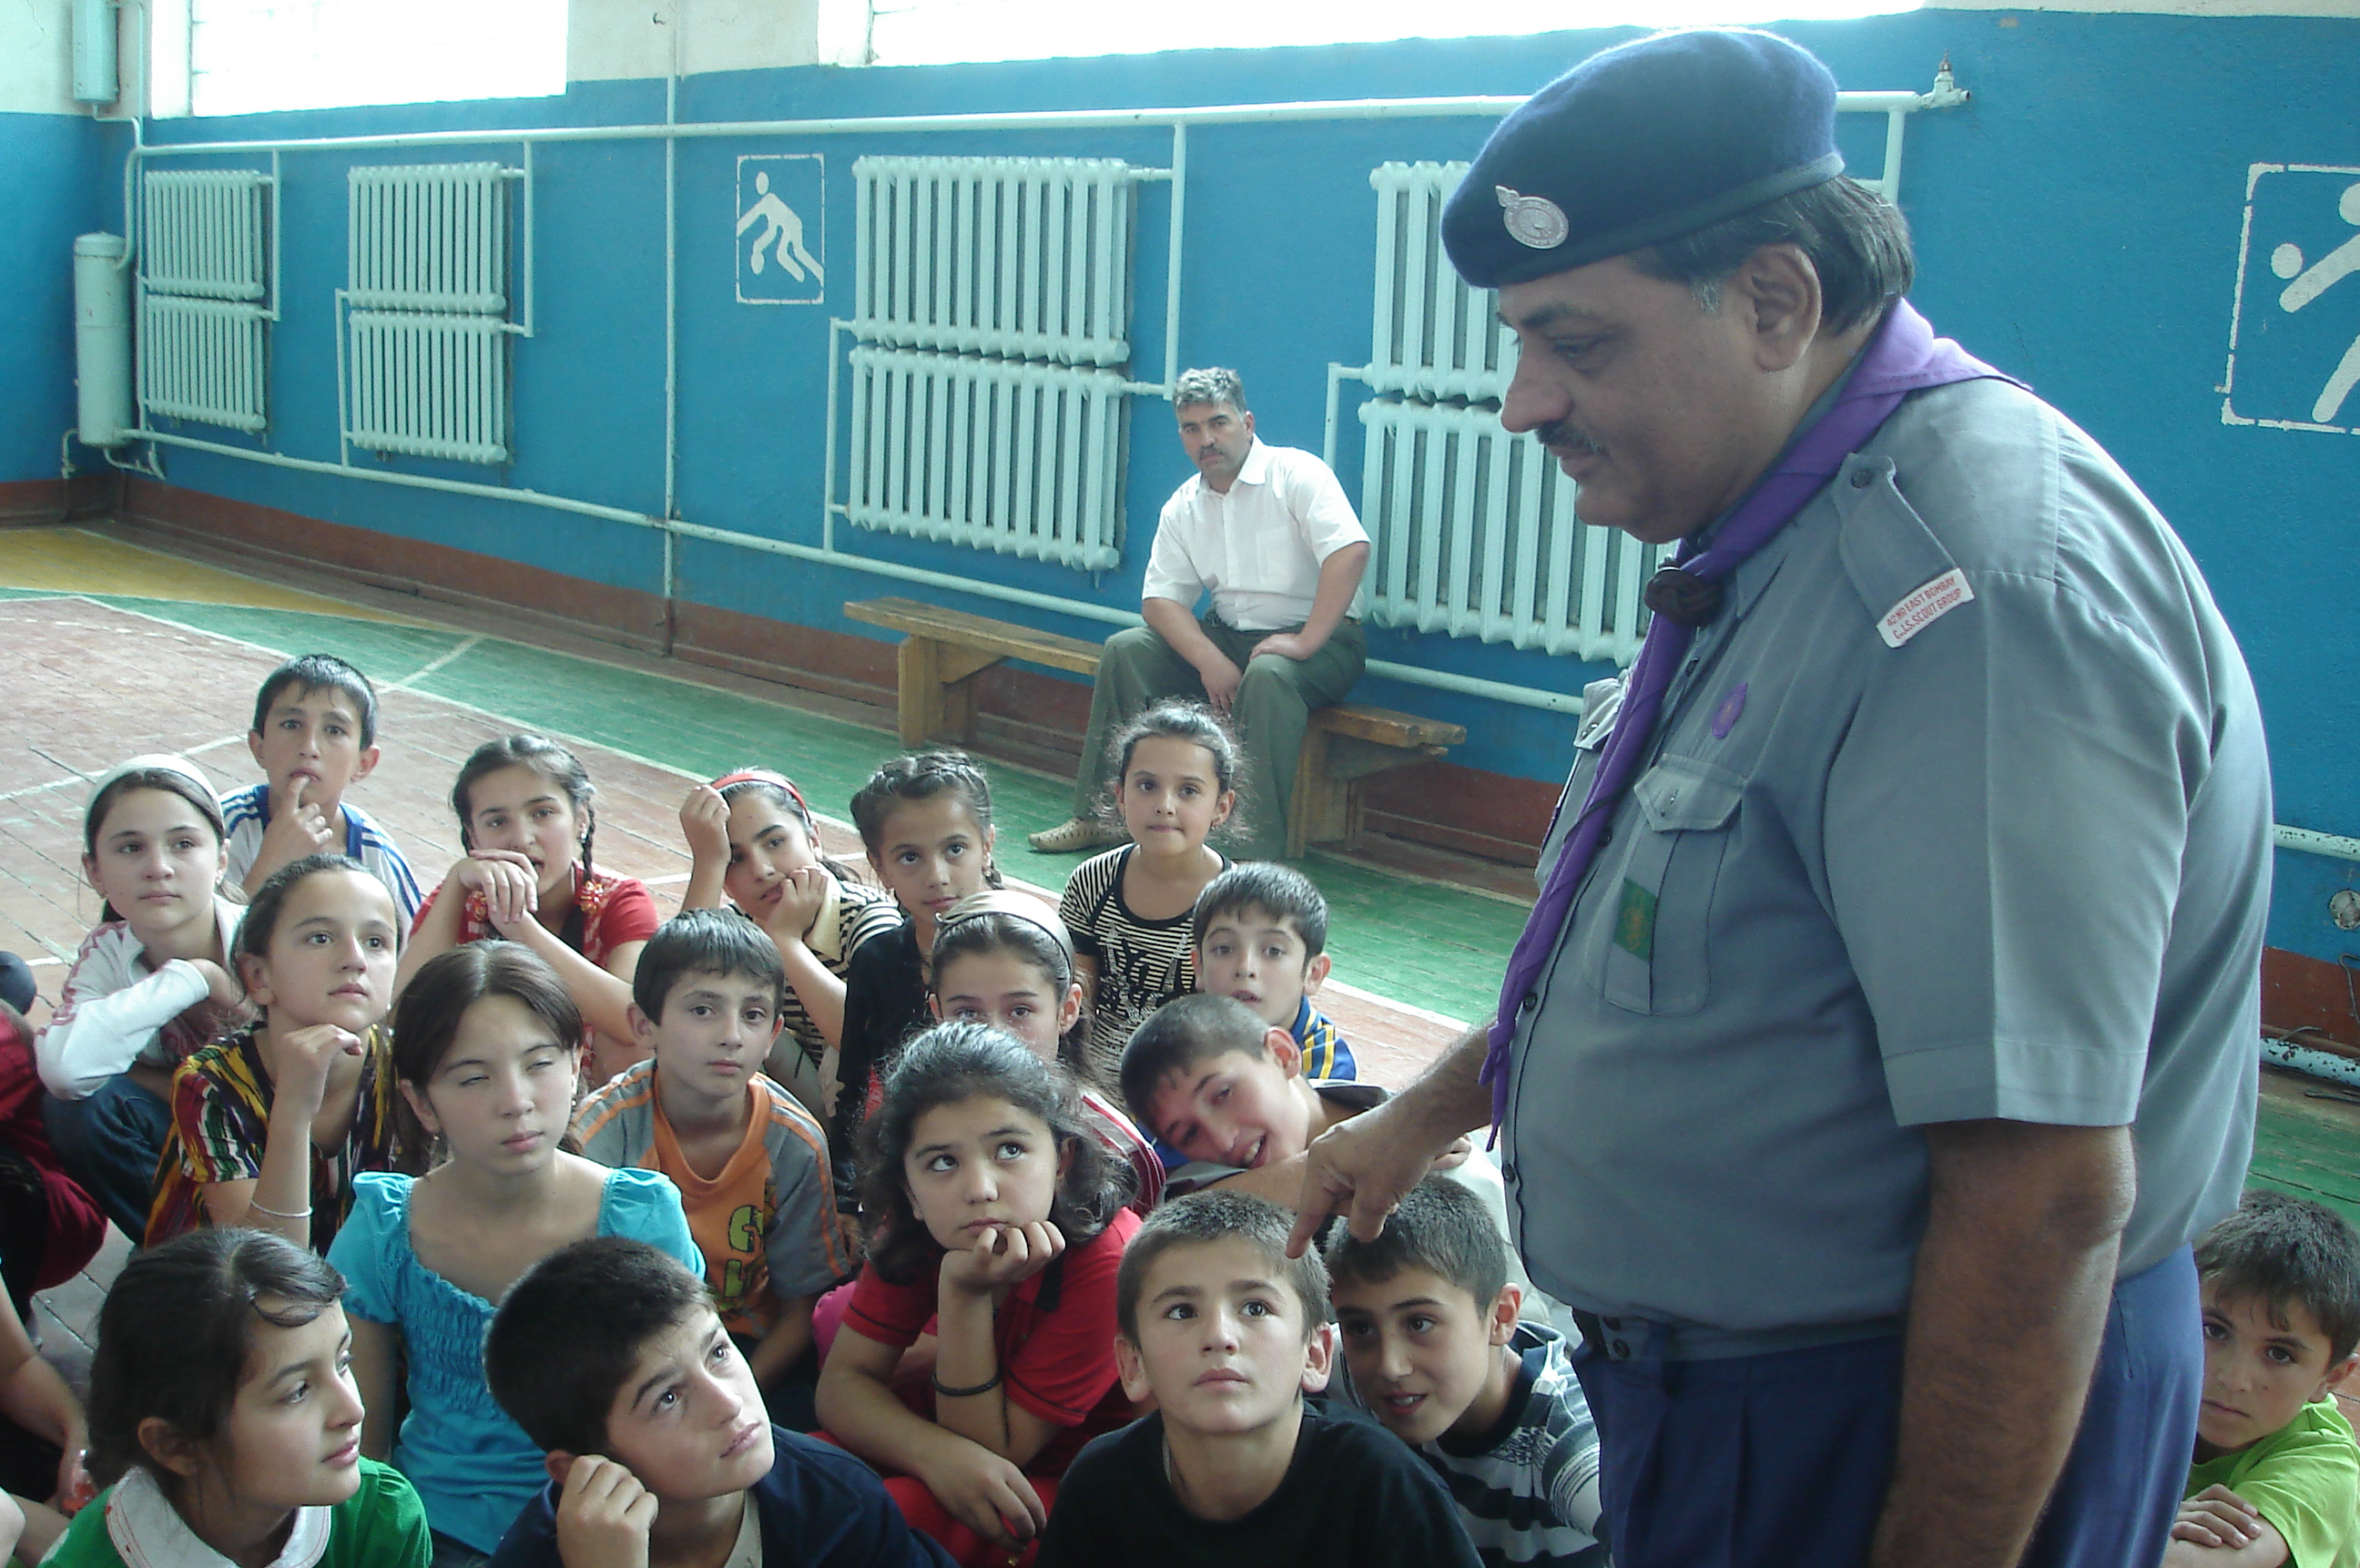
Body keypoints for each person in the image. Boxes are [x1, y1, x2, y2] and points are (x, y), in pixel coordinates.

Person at [1286, 28, 2272, 1568]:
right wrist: (1416, 1118)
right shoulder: (1791, 526)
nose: (1520, 402)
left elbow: (2040, 1197)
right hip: (1757, 1397)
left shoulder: (1969, 599)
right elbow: (1720, 956)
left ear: (1773, 300)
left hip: (1893, 1416)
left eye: (1577, 343)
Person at [331, 943, 701, 1566]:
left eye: (538, 1063)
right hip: (435, 1528)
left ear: (579, 1062)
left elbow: (689, 1398)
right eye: (473, 1077)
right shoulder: (386, 1229)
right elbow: (363, 1450)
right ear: (422, 1103)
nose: (516, 1100)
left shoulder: (640, 1216)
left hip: (618, 1519)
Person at [812, 1023, 1140, 1568]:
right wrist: (932, 1454)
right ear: (911, 1193)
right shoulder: (921, 1231)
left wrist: (962, 1292)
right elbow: (841, 1387)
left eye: (1009, 1149)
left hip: (1076, 1485)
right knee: (802, 1468)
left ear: (1060, 1162)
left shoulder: (1107, 1262)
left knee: (885, 1514)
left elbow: (995, 1459)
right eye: (943, 1162)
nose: (980, 1188)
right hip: (958, 1440)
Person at [1028, 366, 1371, 862]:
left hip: (1323, 642)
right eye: (1191, 428)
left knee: (1271, 675)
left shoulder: (1297, 474)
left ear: (1247, 423)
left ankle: (1248, 851)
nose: (1206, 439)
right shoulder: (1184, 506)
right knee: (1126, 650)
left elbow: (1350, 552)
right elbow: (1160, 601)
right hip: (1231, 637)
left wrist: (1305, 642)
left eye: (1219, 423)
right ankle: (1103, 816)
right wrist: (1210, 659)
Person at [1034, 1188, 1481, 1568]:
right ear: (1134, 1364)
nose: (1219, 1336)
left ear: (1315, 1353)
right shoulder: (1101, 1487)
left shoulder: (1382, 1485)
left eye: (1255, 1308)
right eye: (1182, 1312)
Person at [481, 1237, 954, 1568]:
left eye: (719, 1352)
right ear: (578, 1467)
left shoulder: (837, 1501)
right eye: (667, 1398)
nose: (728, 1403)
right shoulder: (536, 1556)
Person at [1122, 995, 1551, 1319]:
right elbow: (1176, 1218)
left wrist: (1407, 1132)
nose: (1223, 1137)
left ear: (1283, 1054)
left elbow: (1526, 1326)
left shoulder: (1443, 1160)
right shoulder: (1208, 1183)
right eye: (1189, 1133)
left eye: (1223, 1094)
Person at [569, 910, 849, 1408]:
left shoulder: (794, 1143)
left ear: (773, 1035)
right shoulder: (600, 1137)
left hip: (750, 1356)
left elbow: (802, 1308)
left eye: (754, 1014)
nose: (731, 1035)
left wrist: (734, 1396)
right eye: (703, 1010)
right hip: (631, 1352)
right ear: (643, 1024)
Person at [46, 1227, 431, 1568]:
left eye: (343, 1361)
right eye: (297, 1391)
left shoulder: (381, 1517)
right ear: (175, 1444)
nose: (353, 1409)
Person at [1326, 1178, 1604, 1568]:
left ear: (1501, 1317)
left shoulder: (1571, 1445)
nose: (1390, 1366)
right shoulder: (1353, 1366)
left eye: (1420, 1324)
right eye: (1359, 1328)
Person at [148, 854, 414, 1252]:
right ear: (258, 975)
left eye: (376, 942)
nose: (355, 959)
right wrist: (292, 1105)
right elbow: (264, 1270)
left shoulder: (411, 1064)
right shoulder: (212, 1084)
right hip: (224, 1298)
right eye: (320, 938)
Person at [38, 755, 249, 1239]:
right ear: (96, 872)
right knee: (76, 1111)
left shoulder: (267, 936)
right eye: (130, 848)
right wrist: (191, 979)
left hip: (288, 1149)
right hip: (199, 1134)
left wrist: (219, 986)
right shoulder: (107, 953)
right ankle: (182, 1252)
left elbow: (289, 1079)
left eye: (183, 844)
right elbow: (65, 1070)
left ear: (220, 859)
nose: (157, 867)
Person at [400, 735, 659, 1084]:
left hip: (592, 1094)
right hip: (491, 1089)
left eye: (542, 813)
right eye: (496, 822)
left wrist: (520, 927)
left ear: (580, 819)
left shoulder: (619, 899)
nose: (522, 838)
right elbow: (398, 1017)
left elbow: (635, 1021)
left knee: (632, 1048)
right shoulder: (459, 900)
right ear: (473, 838)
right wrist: (454, 882)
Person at [677, 768, 903, 1119]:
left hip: (868, 1115)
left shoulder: (866, 915)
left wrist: (785, 941)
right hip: (797, 1107)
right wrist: (707, 862)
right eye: (735, 858)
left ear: (814, 838)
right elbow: (674, 1006)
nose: (762, 869)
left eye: (774, 842)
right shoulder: (737, 926)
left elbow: (869, 1037)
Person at [833, 753, 1002, 1208]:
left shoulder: (1029, 951)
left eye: (955, 849)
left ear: (987, 845)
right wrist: (849, 1198)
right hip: (915, 1177)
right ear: (879, 866)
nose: (937, 877)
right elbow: (854, 1087)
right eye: (910, 857)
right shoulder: (878, 960)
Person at [931, 892, 1164, 1210]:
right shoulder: (919, 1126)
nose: (996, 1035)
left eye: (1020, 1011)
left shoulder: (1117, 1148)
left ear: (1067, 1009)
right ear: (938, 1014)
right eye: (968, 1014)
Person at [2163, 1193, 2360, 1568]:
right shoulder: (2144, 1393)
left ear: (2330, 1378)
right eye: (2214, 1330)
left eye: (2279, 1354)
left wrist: (2138, 1530)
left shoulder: (2322, 1464)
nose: (2234, 1379)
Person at [1058, 702, 1237, 1090]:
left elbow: (1234, 1026)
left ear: (1221, 807)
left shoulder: (1236, 905)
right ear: (1120, 796)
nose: (1165, 805)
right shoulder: (1092, 881)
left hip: (1189, 1089)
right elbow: (1077, 1005)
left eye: (1188, 790)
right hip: (1094, 1084)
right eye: (1146, 785)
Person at [221, 653, 423, 929]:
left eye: (334, 730)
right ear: (259, 747)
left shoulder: (379, 857)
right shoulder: (220, 829)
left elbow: (413, 964)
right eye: (291, 725)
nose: (310, 747)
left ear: (364, 763)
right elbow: (200, 952)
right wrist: (268, 867)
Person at [1191, 862, 1357, 1082]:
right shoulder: (1182, 1043)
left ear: (1313, 973)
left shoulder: (1324, 1067)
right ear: (1199, 967)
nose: (1245, 968)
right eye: (1224, 949)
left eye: (1273, 951)